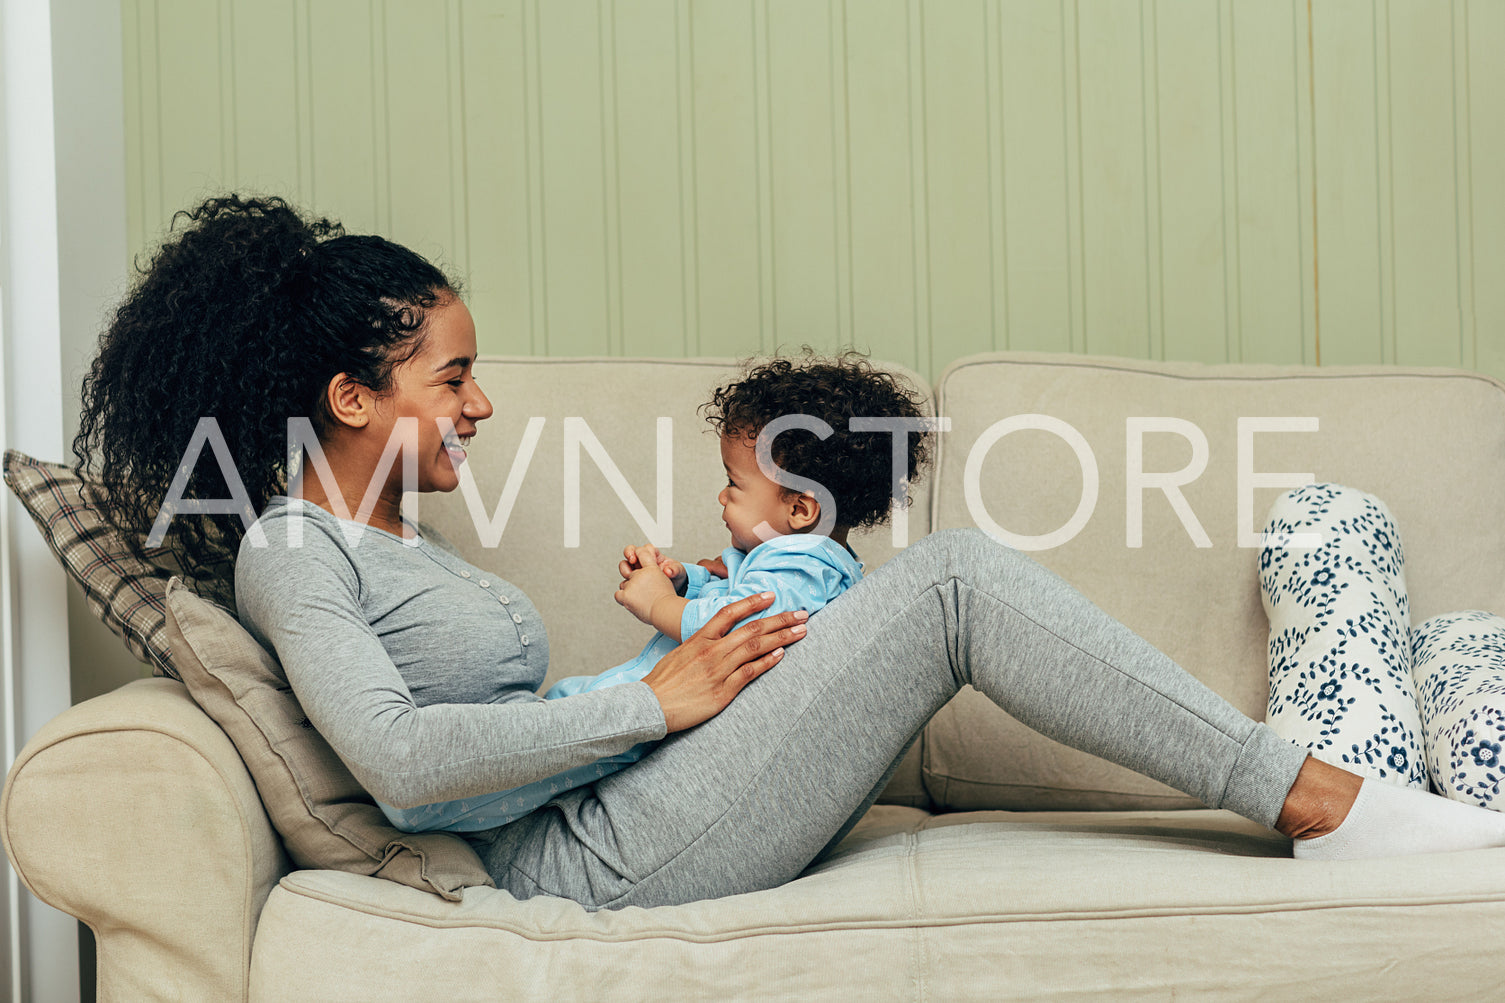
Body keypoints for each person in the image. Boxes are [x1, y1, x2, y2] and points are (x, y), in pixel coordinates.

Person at [74, 195, 1505, 911]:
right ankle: (1320, 800)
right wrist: (658, 697)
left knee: (943, 588)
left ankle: (1323, 795)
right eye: (450, 379)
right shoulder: (288, 548)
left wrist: (663, 678)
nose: (481, 404)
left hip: (623, 795)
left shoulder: (395, 530)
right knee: (947, 584)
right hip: (581, 862)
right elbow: (394, 760)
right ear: (350, 398)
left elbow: (498, 714)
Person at [375, 354, 926, 833]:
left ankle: (440, 805)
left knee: (567, 728)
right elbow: (740, 586)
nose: (722, 494)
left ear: (800, 509)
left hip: (681, 719)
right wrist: (686, 577)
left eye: (735, 484)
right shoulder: (800, 559)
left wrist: (660, 604)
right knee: (564, 716)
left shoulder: (802, 562)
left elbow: (739, 627)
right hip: (675, 713)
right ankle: (454, 793)